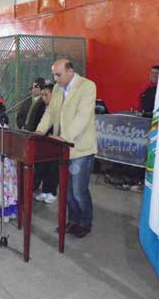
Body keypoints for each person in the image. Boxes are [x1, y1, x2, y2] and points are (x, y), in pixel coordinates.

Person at [36, 59, 97, 238]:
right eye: (54, 74)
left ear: (70, 71)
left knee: (78, 189)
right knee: (66, 189)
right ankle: (73, 220)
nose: (55, 79)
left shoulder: (87, 86)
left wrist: (65, 137)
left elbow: (83, 117)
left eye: (58, 75)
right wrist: (39, 131)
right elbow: (50, 113)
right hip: (61, 147)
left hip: (80, 148)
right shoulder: (57, 89)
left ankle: (85, 223)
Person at [32, 84, 58, 204]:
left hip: (54, 142)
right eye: (42, 95)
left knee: (52, 168)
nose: (43, 97)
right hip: (41, 141)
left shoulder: (58, 107)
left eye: (46, 95)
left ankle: (52, 191)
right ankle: (45, 190)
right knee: (42, 167)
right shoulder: (40, 106)